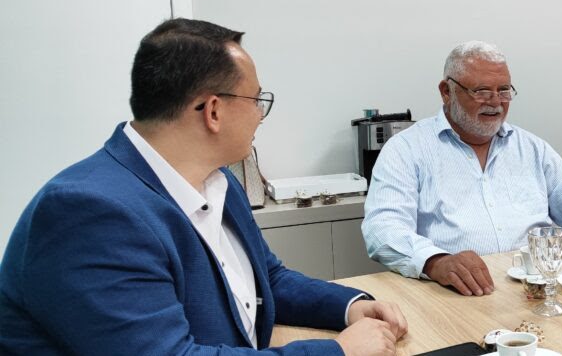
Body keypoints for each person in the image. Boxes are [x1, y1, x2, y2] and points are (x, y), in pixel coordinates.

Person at [0, 19, 407, 355]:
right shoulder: (91, 211)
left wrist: (350, 307)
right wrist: (338, 352)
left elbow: (269, 279)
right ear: (213, 110)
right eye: (256, 100)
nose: (260, 116)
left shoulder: (218, 180)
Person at [362, 41, 562, 296]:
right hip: (455, 294)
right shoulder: (406, 149)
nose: (496, 102)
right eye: (482, 91)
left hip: (537, 289)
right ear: (446, 91)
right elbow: (382, 228)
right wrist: (435, 261)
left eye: (504, 90)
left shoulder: (530, 147)